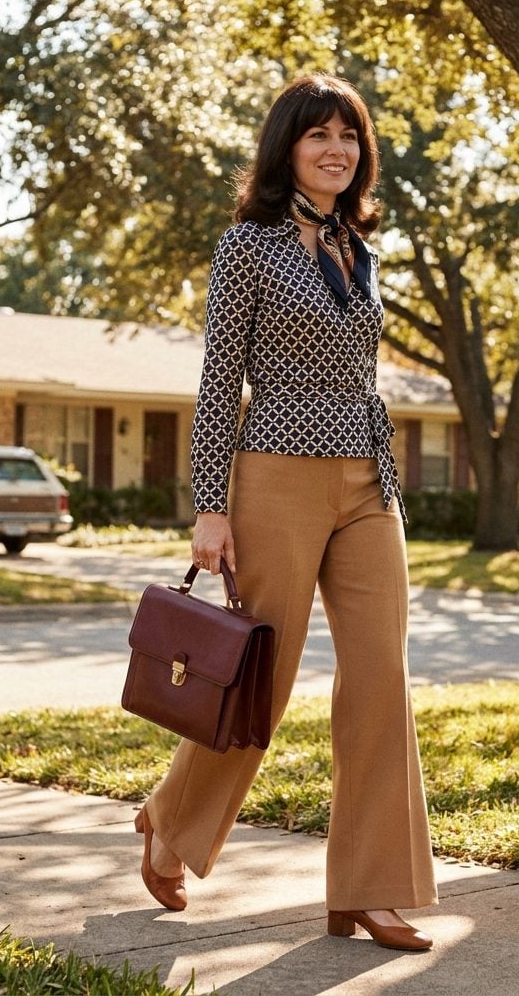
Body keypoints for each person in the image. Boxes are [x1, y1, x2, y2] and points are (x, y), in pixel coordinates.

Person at [134, 73, 438, 952]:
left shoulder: (359, 247)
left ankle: (369, 890)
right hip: (274, 473)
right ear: (288, 149)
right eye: (319, 136)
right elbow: (216, 381)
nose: (337, 148)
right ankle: (170, 823)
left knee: (382, 673)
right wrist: (211, 507)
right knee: (260, 673)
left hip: (367, 479)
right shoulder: (248, 247)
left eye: (350, 135)